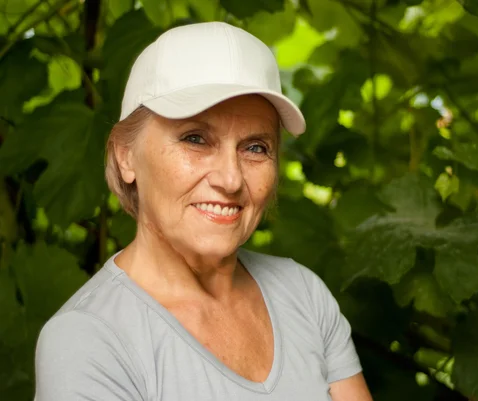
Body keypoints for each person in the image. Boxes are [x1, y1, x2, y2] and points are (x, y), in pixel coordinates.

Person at [34, 22, 373, 401]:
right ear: (124, 155)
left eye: (256, 148)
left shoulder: (303, 294)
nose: (230, 180)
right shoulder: (88, 340)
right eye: (195, 138)